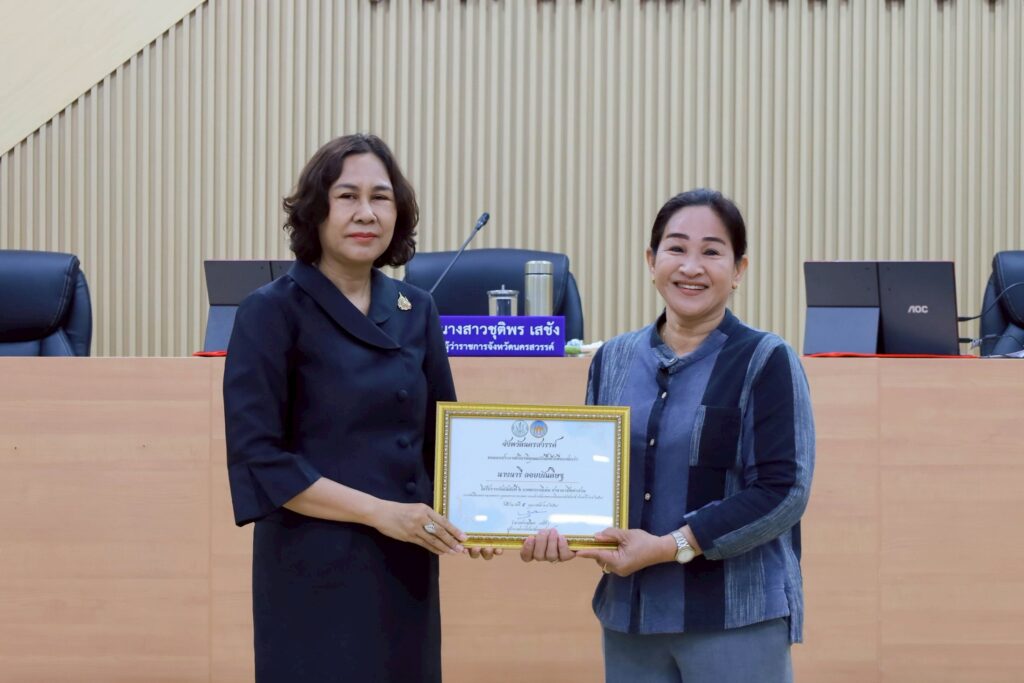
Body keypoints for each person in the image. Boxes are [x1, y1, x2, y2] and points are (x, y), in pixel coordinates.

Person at [521, 189, 815, 683]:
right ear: (651, 261)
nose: (691, 267)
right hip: (631, 617)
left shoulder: (766, 360)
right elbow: (589, 479)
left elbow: (783, 490)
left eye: (712, 252)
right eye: (676, 248)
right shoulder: (612, 360)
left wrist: (669, 545)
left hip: (734, 617)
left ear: (738, 270)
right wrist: (553, 528)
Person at [224, 134, 470, 682]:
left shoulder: (416, 309)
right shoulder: (270, 312)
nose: (366, 213)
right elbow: (261, 460)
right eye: (347, 196)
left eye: (381, 197)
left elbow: (446, 441)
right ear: (316, 210)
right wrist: (381, 512)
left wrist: (482, 519)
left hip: (404, 565)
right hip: (312, 568)